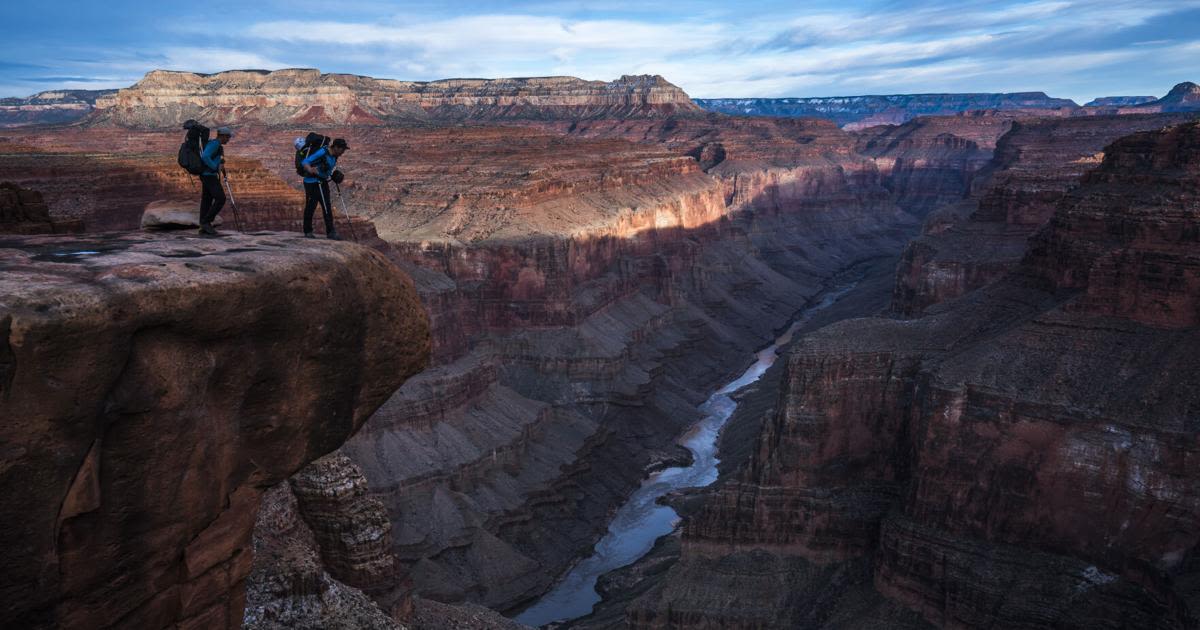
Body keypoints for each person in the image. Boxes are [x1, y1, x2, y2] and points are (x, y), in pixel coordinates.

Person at [301, 138, 349, 239]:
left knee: (327, 206)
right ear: (336, 147)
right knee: (311, 206)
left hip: (322, 182)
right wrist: (310, 169)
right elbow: (305, 161)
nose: (343, 152)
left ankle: (331, 232)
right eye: (342, 149)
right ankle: (308, 231)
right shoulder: (322, 152)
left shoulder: (335, 156)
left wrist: (333, 175)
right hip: (312, 183)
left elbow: (326, 169)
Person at [198, 127, 233, 235]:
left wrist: (219, 166)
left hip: (207, 175)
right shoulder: (215, 144)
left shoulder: (217, 145)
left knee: (207, 200)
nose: (228, 139)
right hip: (209, 176)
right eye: (228, 137)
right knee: (221, 198)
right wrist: (215, 167)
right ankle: (206, 222)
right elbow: (205, 156)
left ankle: (203, 226)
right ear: (222, 136)